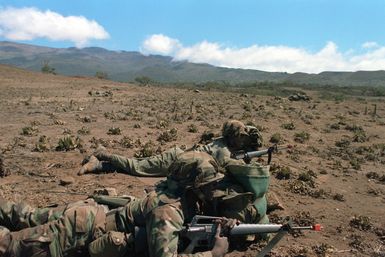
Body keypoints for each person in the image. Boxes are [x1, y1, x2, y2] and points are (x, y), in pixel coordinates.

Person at [0, 152, 238, 257]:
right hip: (75, 235)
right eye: (207, 185)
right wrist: (214, 253)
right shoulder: (168, 211)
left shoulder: (173, 194)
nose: (211, 189)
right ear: (191, 186)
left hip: (90, 217)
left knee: (24, 215)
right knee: (10, 247)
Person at [78, 120, 262, 176]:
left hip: (180, 159)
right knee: (137, 167)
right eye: (241, 138)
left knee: (138, 167)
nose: (243, 141)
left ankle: (97, 165)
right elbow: (227, 166)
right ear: (233, 137)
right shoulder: (223, 150)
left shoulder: (223, 141)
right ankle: (102, 153)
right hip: (174, 160)